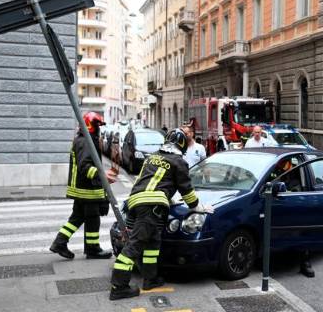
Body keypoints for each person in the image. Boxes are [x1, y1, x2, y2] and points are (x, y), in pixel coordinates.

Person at [109, 129, 212, 300]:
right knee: (134, 245)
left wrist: (168, 200)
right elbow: (186, 190)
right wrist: (197, 207)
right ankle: (119, 286)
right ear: (182, 145)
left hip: (136, 201)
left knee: (152, 242)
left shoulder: (153, 156)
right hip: (151, 206)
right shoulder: (178, 161)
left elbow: (153, 181)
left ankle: (150, 278)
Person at [50, 112, 115, 261]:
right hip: (87, 190)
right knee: (92, 219)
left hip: (82, 189)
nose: (99, 128)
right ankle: (93, 249)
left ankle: (59, 242)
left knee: (77, 218)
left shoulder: (83, 139)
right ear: (91, 125)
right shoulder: (86, 141)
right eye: (98, 125)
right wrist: (102, 176)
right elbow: (85, 166)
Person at [268, 158, 314, 277]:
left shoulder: (296, 169)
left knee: (302, 229)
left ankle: (305, 262)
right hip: (274, 203)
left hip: (293, 204)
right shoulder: (274, 167)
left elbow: (296, 189)